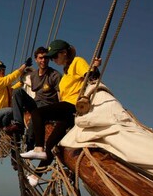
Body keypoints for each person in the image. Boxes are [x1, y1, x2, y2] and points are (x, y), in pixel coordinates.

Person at [20, 39, 101, 185]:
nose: (52, 60)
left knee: (38, 114)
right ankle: (36, 176)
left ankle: (38, 148)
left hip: (71, 106)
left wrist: (94, 68)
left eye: (54, 56)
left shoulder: (77, 61)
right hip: (67, 111)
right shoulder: (66, 70)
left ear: (64, 53)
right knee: (52, 144)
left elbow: (91, 76)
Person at [11, 46, 61, 141]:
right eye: (40, 58)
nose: (43, 60)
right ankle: (18, 124)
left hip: (48, 106)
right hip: (36, 103)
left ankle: (29, 142)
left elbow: (60, 95)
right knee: (17, 92)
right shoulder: (33, 75)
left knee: (35, 114)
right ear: (36, 59)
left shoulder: (55, 75)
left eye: (46, 58)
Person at [0, 59, 31, 132]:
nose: (2, 71)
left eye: (3, 69)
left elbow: (11, 89)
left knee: (18, 111)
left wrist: (21, 82)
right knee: (11, 111)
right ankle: (6, 128)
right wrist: (24, 66)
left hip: (1, 111)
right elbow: (10, 78)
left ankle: (12, 127)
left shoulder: (3, 83)